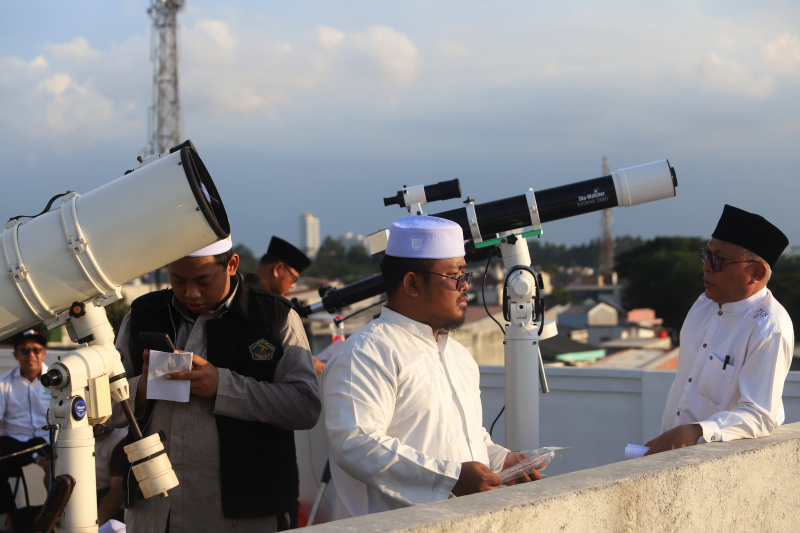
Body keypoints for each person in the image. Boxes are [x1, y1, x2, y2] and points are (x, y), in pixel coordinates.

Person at [321, 216, 540, 519]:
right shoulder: (366, 353)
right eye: (454, 276)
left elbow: (467, 439)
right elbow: (357, 443)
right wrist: (449, 478)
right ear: (412, 283)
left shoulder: (459, 356)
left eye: (465, 273)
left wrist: (502, 462)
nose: (466, 285)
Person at [114, 235, 321, 532]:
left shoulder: (274, 317)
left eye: (203, 280)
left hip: (244, 515)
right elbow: (100, 411)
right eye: (178, 279)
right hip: (155, 514)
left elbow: (305, 406)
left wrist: (221, 387)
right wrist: (144, 388)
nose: (191, 293)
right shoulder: (143, 315)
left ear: (232, 264)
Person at [645, 204, 793, 455]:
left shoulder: (768, 327)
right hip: (672, 456)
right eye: (707, 255)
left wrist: (697, 431)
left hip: (714, 463)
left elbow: (760, 415)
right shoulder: (704, 304)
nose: (707, 267)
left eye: (719, 260)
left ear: (756, 272)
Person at [244, 236, 326, 376]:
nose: (292, 285)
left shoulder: (244, 293)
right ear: (278, 268)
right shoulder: (265, 305)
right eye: (293, 278)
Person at [0, 329, 51, 520]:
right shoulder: (3, 384)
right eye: (25, 350)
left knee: (62, 467)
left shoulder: (57, 380)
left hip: (46, 441)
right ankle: (11, 514)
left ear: (43, 353)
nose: (31, 354)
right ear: (15, 355)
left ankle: (53, 517)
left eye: (36, 350)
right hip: (15, 442)